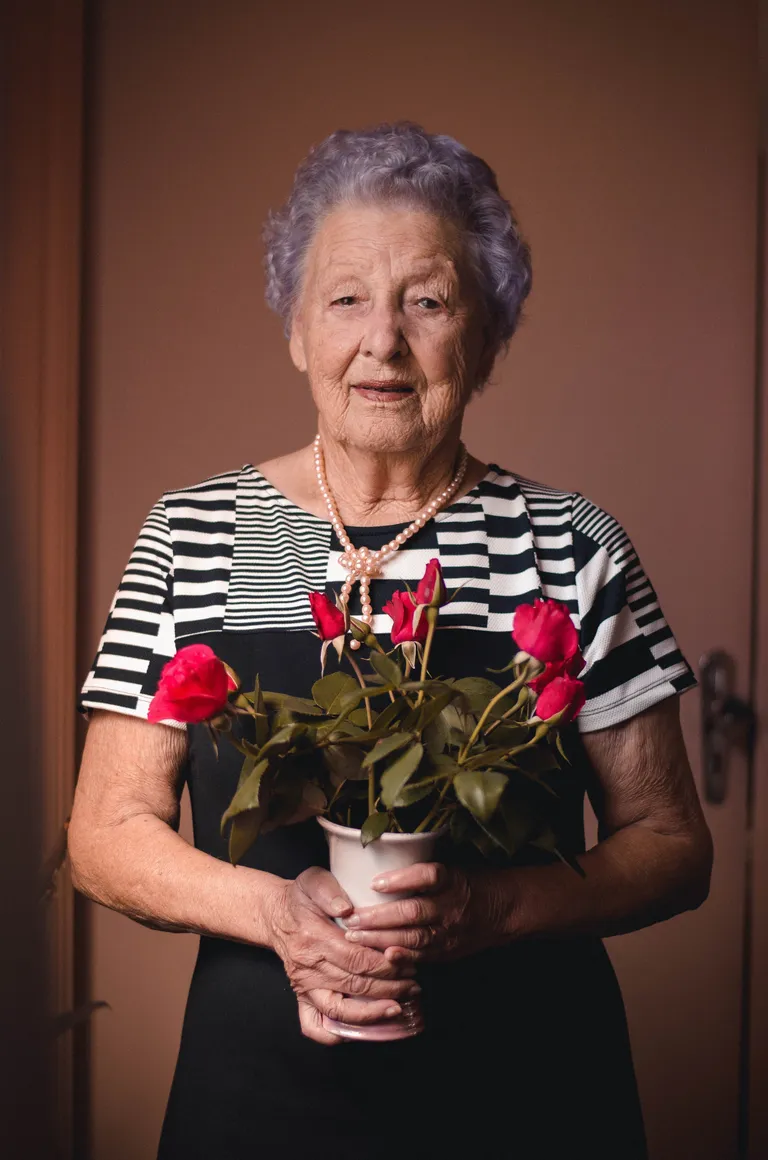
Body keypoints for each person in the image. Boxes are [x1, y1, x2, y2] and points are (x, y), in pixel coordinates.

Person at [68, 122, 712, 1159]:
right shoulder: (196, 533)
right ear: (295, 331)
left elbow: (673, 846)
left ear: (488, 335)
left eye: (429, 300)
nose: (384, 340)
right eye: (346, 298)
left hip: (533, 1095)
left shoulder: (570, 542)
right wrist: (276, 911)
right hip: (260, 1098)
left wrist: (493, 910)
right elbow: (105, 833)